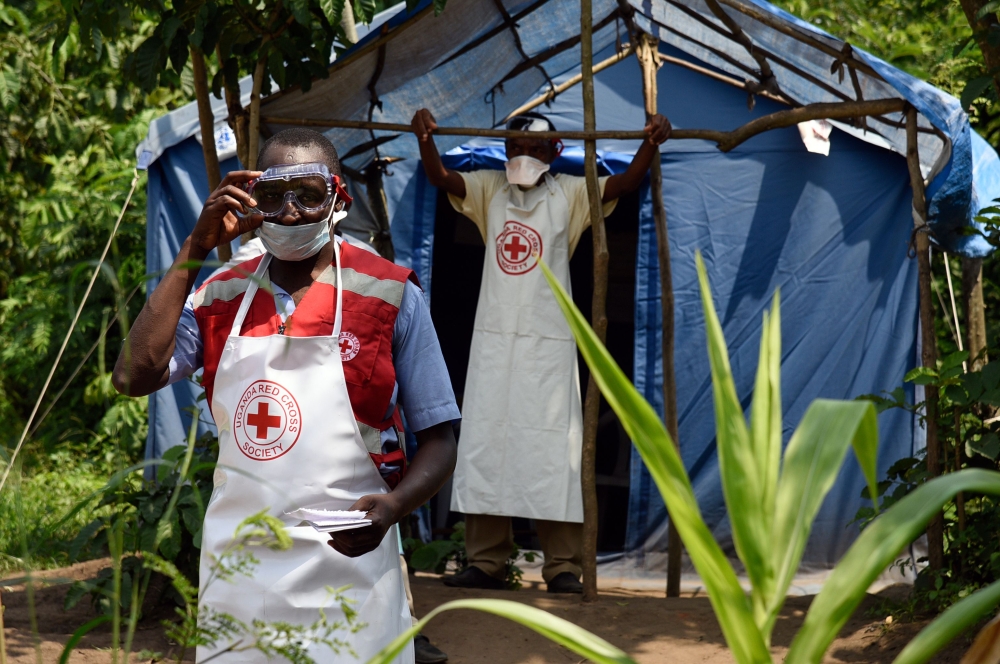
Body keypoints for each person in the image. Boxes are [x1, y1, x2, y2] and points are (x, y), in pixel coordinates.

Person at [112, 128, 460, 663]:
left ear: (338, 197)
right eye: (274, 195)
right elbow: (134, 376)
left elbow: (440, 438)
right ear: (253, 200)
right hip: (241, 570)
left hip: (352, 567)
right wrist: (194, 246)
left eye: (309, 194)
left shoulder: (391, 294)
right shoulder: (218, 293)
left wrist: (393, 507)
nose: (292, 211)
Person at [411, 108, 670, 594]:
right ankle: (486, 563)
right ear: (504, 151)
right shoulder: (488, 188)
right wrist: (427, 138)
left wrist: (651, 142)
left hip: (548, 347)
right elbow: (439, 176)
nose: (523, 156)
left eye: (534, 149)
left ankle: (563, 567)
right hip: (494, 342)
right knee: (490, 443)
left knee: (555, 450)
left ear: (556, 153)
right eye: (515, 147)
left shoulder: (572, 192)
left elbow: (625, 185)